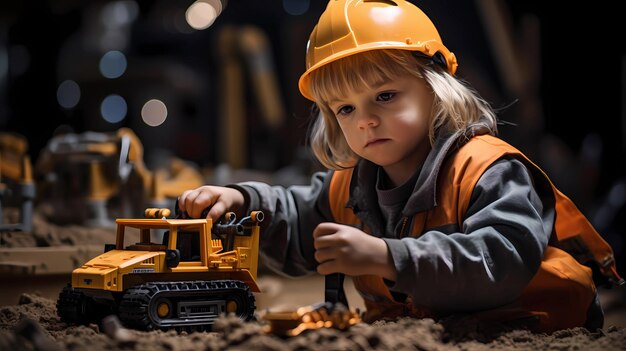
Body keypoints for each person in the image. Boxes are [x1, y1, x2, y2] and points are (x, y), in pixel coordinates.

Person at [179, 0, 623, 333]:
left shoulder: (488, 170)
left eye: (385, 96)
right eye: (345, 109)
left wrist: (390, 257)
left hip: (534, 326)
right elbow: (298, 218)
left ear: (436, 88)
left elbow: (498, 260)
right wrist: (240, 201)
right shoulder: (351, 186)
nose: (365, 119)